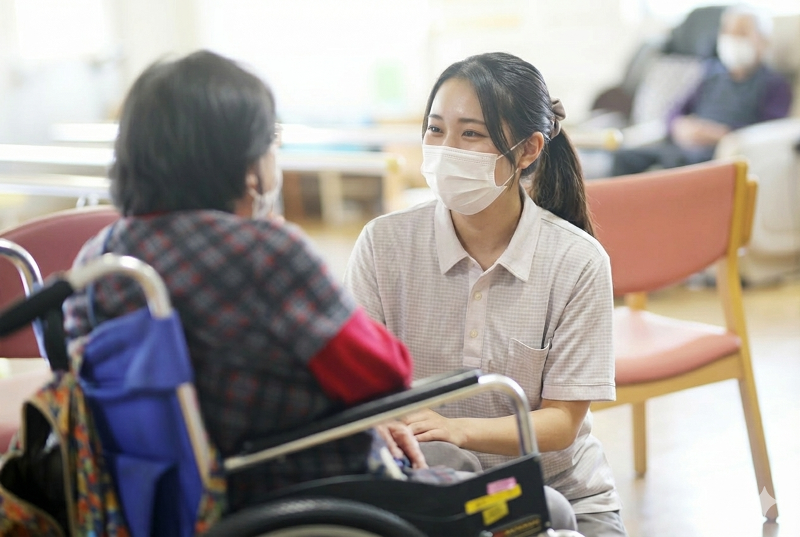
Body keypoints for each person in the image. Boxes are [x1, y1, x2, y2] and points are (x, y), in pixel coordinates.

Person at [61, 50, 426, 512]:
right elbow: (384, 376)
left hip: (161, 507)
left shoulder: (97, 260)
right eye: (271, 140)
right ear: (247, 165)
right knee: (541, 507)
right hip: (312, 496)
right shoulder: (264, 252)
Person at [344, 52, 627, 536]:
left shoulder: (577, 261)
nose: (445, 148)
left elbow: (560, 424)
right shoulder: (384, 244)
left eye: (469, 133)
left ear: (528, 150)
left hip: (562, 491)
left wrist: (457, 428)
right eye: (435, 130)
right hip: (432, 483)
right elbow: (360, 392)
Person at [611, 4, 792, 176]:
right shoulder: (711, 74)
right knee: (625, 157)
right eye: (727, 32)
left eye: (742, 33)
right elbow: (674, 112)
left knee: (676, 166)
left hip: (719, 152)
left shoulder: (775, 84)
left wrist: (721, 134)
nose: (732, 39)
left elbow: (767, 132)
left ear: (763, 41)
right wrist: (680, 126)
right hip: (683, 144)